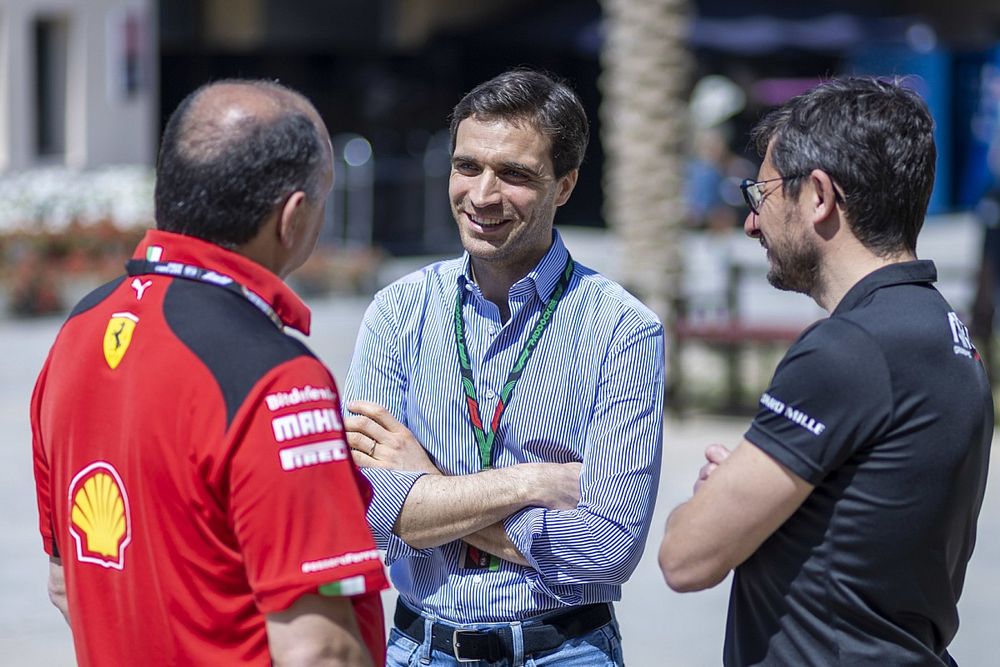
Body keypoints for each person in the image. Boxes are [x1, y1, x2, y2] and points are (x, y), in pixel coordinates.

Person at [31, 79, 389, 666]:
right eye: (322, 197)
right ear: (292, 217)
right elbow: (320, 650)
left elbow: (67, 581)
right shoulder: (276, 378)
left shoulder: (79, 329)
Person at [658, 77, 993, 666]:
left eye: (758, 193)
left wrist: (721, 493)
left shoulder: (850, 348)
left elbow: (686, 558)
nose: (751, 223)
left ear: (817, 196)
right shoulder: (946, 333)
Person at [343, 69, 664, 665]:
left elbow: (606, 550)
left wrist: (429, 496)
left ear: (564, 186)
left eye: (514, 174)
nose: (483, 195)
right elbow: (367, 515)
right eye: (467, 167)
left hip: (564, 650)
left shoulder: (622, 329)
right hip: (423, 646)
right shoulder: (397, 312)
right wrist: (529, 483)